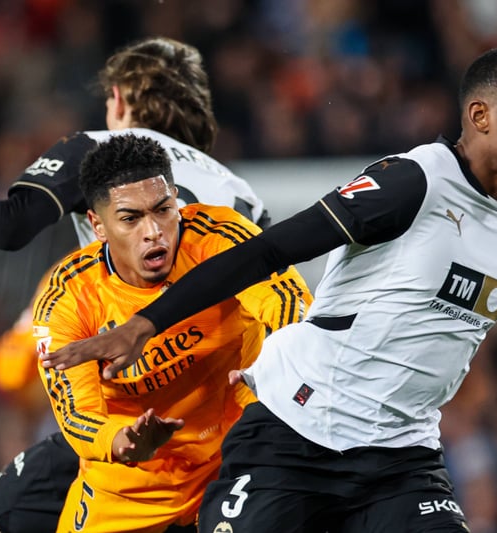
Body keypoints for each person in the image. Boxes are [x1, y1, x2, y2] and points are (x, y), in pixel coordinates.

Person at [41, 47, 497, 532]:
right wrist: (145, 324)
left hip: (402, 455)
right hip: (298, 434)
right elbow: (266, 252)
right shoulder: (415, 180)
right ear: (480, 115)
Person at [0, 37, 272, 533]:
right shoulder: (240, 193)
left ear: (119, 99)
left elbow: (10, 225)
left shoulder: (100, 154)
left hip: (130, 414)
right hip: (220, 425)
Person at [31, 132, 311, 532]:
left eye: (163, 210)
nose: (153, 231)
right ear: (98, 226)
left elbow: (289, 305)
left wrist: (277, 373)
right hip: (130, 485)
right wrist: (124, 440)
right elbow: (76, 414)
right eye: (130, 218)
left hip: (237, 454)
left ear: (176, 200)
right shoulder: (67, 298)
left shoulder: (219, 236)